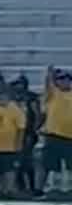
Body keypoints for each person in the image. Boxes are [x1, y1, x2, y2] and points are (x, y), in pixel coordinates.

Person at [42, 66, 72, 196]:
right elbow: (48, 85)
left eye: (67, 79)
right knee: (52, 163)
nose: (64, 82)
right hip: (54, 134)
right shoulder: (54, 94)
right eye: (61, 79)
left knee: (70, 164)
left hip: (70, 136)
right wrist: (49, 74)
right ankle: (52, 187)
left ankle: (67, 187)